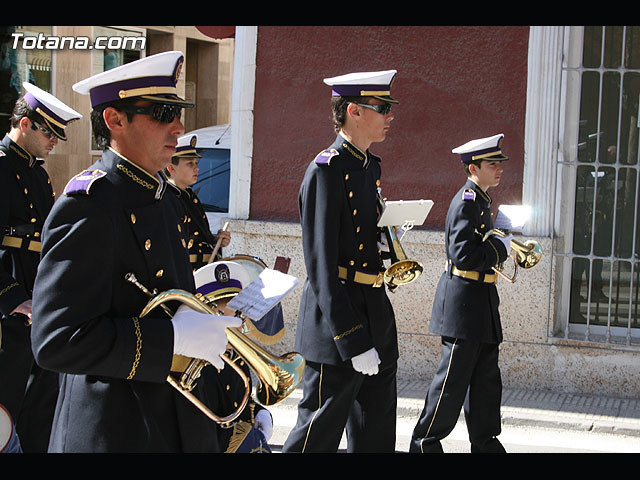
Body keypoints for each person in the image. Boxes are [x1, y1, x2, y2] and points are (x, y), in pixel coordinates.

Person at [30, 51, 241, 453]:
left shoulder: (163, 196)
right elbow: (56, 339)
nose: (178, 127)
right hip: (115, 429)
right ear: (115, 120)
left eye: (178, 112)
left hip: (172, 422)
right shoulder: (88, 202)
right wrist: (172, 338)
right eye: (163, 113)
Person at [282, 70, 400, 453]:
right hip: (338, 323)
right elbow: (320, 266)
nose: (389, 116)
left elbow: (362, 242)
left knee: (376, 438)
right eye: (382, 108)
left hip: (375, 313)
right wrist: (351, 338)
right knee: (315, 439)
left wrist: (389, 240)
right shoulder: (325, 170)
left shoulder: (370, 167)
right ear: (354, 111)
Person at [409, 133, 512, 453]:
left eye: (499, 164)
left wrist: (501, 240)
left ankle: (485, 442)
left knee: (485, 382)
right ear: (473, 168)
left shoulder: (480, 200)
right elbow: (463, 254)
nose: (499, 169)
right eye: (492, 164)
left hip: (480, 304)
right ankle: (425, 442)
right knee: (451, 384)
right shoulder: (466, 201)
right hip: (463, 306)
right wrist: (501, 247)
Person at [0, 82, 81, 452]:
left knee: (42, 405)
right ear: (26, 124)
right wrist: (12, 297)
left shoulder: (36, 173)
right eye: (49, 132)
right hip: (10, 305)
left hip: (37, 297)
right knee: (7, 406)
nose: (55, 142)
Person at [165, 134, 230, 270]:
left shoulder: (189, 196)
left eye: (196, 163)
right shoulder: (167, 198)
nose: (197, 168)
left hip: (202, 271)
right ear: (171, 168)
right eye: (190, 164)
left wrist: (216, 240)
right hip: (185, 273)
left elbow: (197, 238)